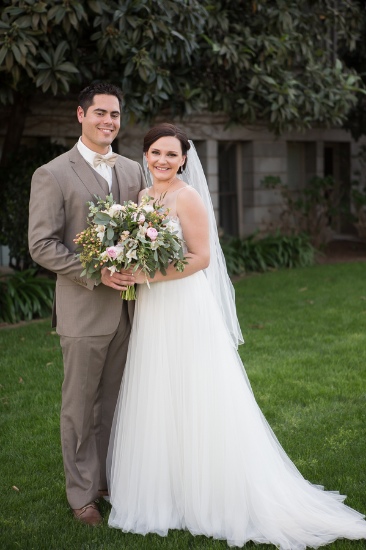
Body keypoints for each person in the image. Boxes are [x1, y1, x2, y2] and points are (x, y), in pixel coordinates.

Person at [107, 123, 366, 548]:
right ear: (146, 155)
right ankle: (168, 490)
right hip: (154, 308)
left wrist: (147, 272)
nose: (162, 161)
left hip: (184, 305)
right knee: (160, 390)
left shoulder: (187, 198)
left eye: (172, 154)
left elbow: (202, 258)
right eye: (155, 152)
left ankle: (212, 493)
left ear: (185, 159)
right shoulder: (142, 198)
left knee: (197, 392)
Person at [28, 83, 145, 526]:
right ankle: (82, 497)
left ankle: (108, 480)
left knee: (116, 401)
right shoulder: (53, 173)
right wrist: (96, 272)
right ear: (80, 115)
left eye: (114, 114)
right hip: (82, 311)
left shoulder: (134, 171)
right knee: (79, 407)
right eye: (99, 113)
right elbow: (41, 244)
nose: (108, 121)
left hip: (131, 310)